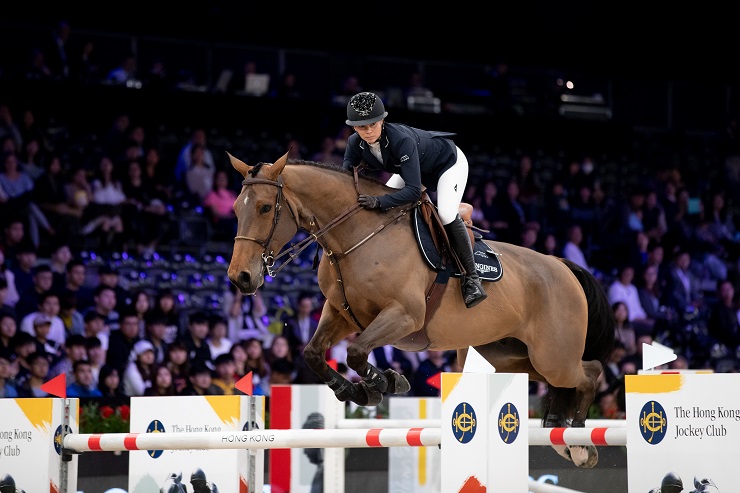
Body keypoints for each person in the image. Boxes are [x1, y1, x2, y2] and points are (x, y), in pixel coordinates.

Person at [342, 92, 486, 308]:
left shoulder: (401, 140)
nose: (368, 131)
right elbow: (344, 179)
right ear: (353, 128)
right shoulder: (355, 143)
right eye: (362, 127)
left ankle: (472, 279)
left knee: (445, 213)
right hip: (414, 170)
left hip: (447, 164)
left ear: (382, 120)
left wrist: (378, 202)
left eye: (373, 124)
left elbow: (411, 192)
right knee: (387, 202)